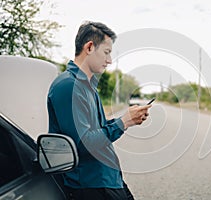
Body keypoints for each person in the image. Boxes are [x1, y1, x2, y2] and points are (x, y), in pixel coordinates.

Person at [47, 21, 151, 200]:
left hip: (108, 179)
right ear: (89, 47)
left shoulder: (87, 86)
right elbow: (84, 143)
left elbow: (96, 131)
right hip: (92, 186)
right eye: (106, 52)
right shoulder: (68, 86)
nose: (109, 60)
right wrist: (123, 121)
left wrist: (128, 120)